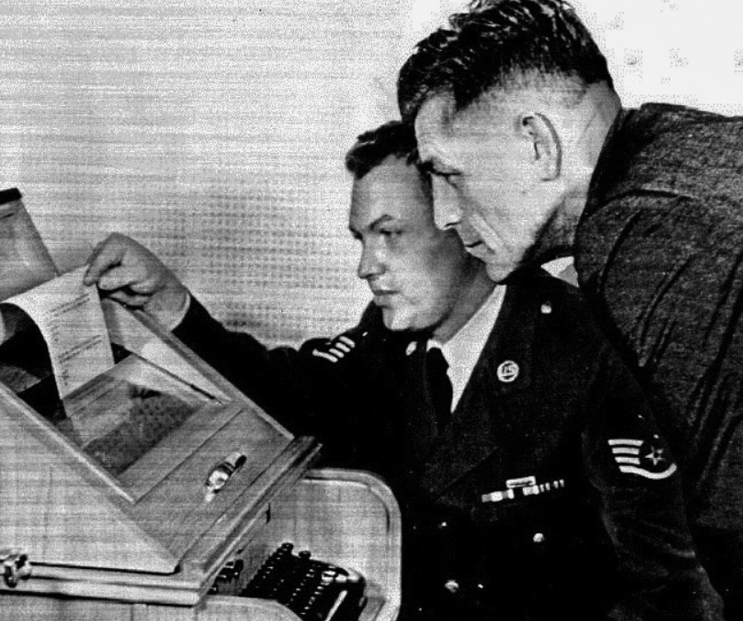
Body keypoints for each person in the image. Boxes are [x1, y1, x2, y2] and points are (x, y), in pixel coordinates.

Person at [84, 121, 721, 620]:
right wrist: (173, 306)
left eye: (390, 234)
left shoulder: (584, 351)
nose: (367, 265)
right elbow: (295, 391)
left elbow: (670, 592)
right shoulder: (392, 341)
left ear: (462, 223)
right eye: (361, 238)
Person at [397, 0, 743, 614]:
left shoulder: (642, 231)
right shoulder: (681, 145)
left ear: (537, 144)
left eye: (448, 174)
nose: (445, 215)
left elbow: (732, 535)